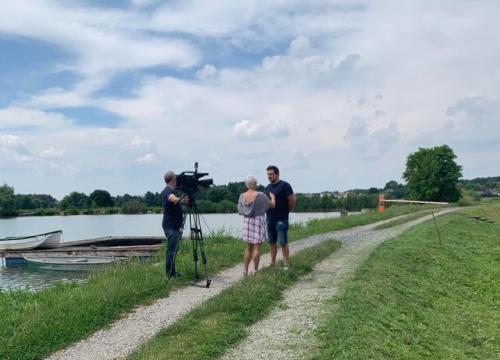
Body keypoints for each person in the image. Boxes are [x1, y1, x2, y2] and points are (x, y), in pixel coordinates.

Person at [238, 175, 275, 276]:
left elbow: (240, 211)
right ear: (255, 184)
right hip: (258, 220)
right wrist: (273, 198)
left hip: (247, 221)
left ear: (246, 185)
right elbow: (272, 205)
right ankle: (255, 271)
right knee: (257, 247)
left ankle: (245, 271)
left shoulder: (242, 196)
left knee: (248, 247)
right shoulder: (261, 195)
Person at [265, 165, 296, 270]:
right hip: (269, 218)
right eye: (268, 174)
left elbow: (292, 200)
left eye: (271, 174)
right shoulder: (267, 188)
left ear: (277, 174)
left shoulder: (285, 185)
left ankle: (286, 263)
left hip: (281, 218)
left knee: (283, 242)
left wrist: (288, 210)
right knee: (272, 242)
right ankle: (272, 262)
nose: (269, 176)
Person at [161, 170, 188, 279]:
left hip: (173, 225)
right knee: (171, 250)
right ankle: (169, 274)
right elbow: (173, 199)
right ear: (173, 179)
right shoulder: (168, 191)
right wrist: (180, 199)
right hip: (170, 226)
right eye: (175, 178)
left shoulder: (171, 191)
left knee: (173, 250)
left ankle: (172, 272)